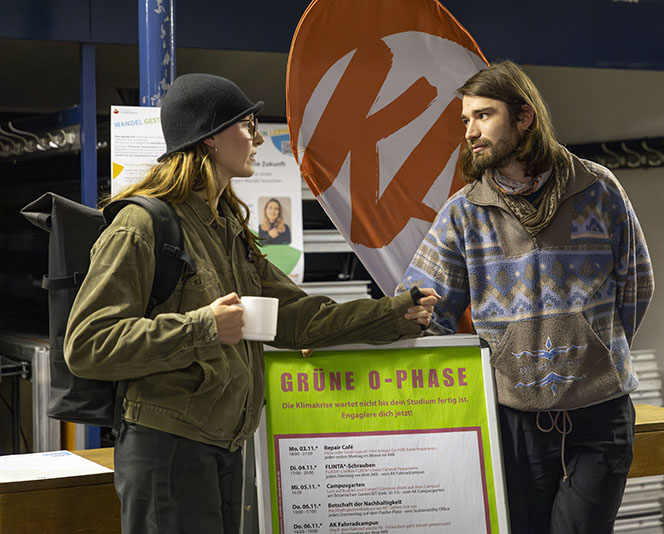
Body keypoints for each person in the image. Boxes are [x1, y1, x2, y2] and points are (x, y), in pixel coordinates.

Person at [64, 73, 440, 534]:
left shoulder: (227, 230)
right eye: (247, 126)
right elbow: (87, 344)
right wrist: (203, 328)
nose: (259, 138)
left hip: (225, 446)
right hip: (168, 451)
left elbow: (298, 320)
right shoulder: (142, 225)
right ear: (209, 140)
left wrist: (393, 314)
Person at [396, 60, 654, 533]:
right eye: (466, 119)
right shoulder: (463, 214)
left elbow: (637, 282)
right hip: (513, 423)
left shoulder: (597, 189)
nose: (470, 131)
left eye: (483, 116)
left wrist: (595, 348)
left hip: (600, 416)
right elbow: (423, 310)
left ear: (524, 118)